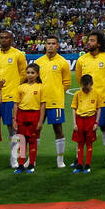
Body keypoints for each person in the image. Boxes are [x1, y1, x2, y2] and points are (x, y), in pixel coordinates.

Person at [76, 31, 105, 169]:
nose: (89, 43)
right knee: (82, 130)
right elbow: (79, 80)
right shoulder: (82, 60)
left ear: (99, 43)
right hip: (86, 102)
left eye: (92, 40)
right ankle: (79, 159)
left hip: (104, 101)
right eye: (89, 40)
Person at [34, 36, 73, 169]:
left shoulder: (62, 62)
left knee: (58, 129)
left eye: (53, 44)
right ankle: (31, 160)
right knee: (35, 129)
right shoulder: (38, 62)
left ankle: (60, 160)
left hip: (55, 102)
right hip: (38, 102)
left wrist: (57, 92)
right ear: (45, 45)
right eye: (48, 43)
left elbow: (67, 82)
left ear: (58, 46)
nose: (50, 46)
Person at [0, 30, 28, 168]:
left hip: (11, 97)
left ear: (11, 39)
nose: (4, 40)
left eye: (6, 38)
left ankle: (16, 158)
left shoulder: (18, 54)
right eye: (1, 38)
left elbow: (23, 74)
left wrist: (16, 89)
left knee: (13, 128)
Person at [13, 63, 45, 173]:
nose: (30, 75)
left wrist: (40, 121)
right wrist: (14, 119)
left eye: (32, 73)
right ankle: (20, 164)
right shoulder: (21, 87)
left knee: (32, 141)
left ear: (37, 74)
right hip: (22, 115)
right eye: (28, 73)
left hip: (34, 115)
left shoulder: (41, 87)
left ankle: (31, 164)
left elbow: (42, 105)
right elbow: (16, 105)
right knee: (21, 141)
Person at [69, 74, 101, 173]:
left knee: (89, 143)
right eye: (83, 85)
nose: (85, 88)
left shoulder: (96, 94)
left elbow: (98, 109)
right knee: (80, 143)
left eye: (87, 86)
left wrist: (96, 122)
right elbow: (74, 109)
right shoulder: (77, 94)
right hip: (80, 120)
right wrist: (74, 124)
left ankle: (87, 164)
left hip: (90, 120)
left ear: (91, 84)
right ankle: (79, 164)